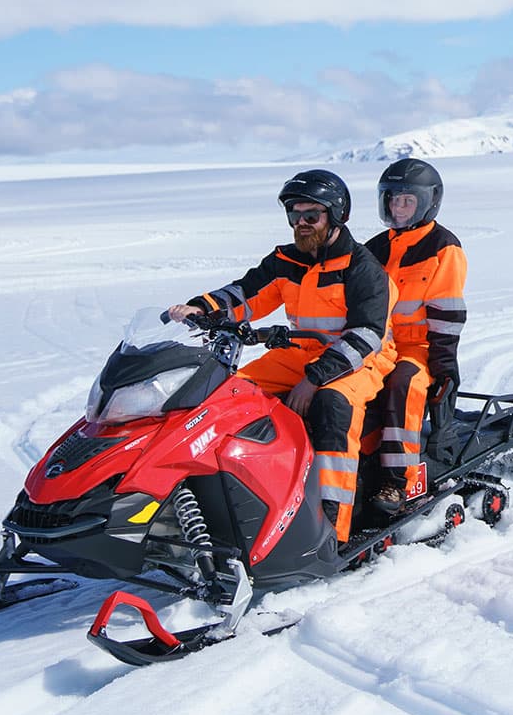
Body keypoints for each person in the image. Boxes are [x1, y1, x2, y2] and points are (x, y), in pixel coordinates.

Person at [168, 169, 395, 544]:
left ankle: (331, 531)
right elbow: (244, 295)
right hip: (301, 353)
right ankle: (238, 500)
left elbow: (366, 336)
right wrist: (200, 309)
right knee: (229, 394)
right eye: (295, 215)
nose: (301, 224)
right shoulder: (287, 261)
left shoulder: (363, 270)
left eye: (312, 216)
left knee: (331, 406)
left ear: (336, 216)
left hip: (360, 359)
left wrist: (314, 379)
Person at [361, 158, 468, 512]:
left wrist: (444, 367)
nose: (399, 208)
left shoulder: (442, 247)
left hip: (417, 349)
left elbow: (447, 314)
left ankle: (397, 482)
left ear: (427, 202)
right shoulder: (374, 248)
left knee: (404, 385)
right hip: (377, 344)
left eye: (407, 201)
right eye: (393, 200)